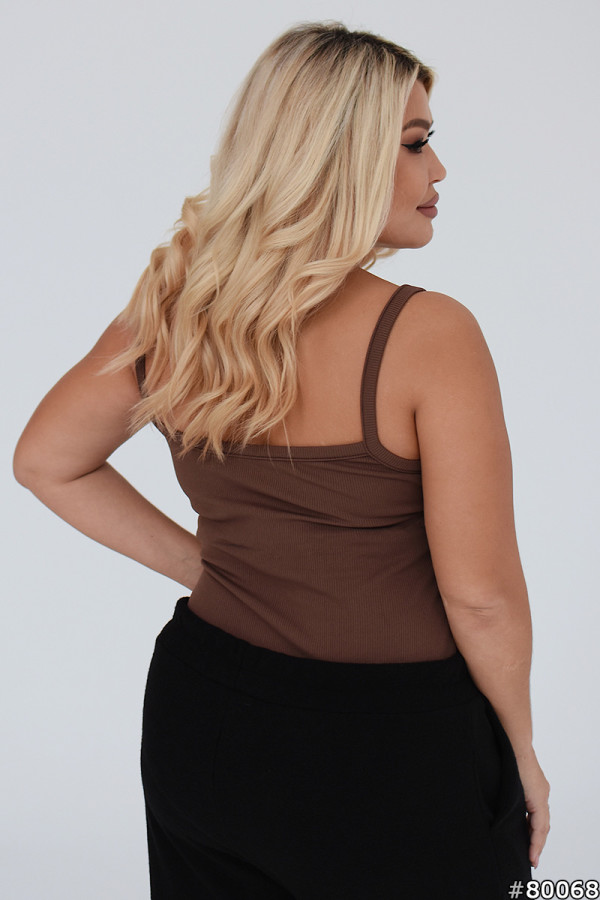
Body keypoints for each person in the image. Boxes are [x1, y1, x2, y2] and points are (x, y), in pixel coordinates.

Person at [13, 20, 550, 899]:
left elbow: (46, 460)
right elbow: (481, 598)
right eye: (416, 144)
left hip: (206, 717)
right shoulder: (430, 334)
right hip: (395, 752)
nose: (440, 170)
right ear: (342, 158)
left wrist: (212, 572)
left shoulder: (179, 316)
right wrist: (521, 751)